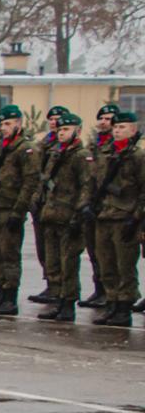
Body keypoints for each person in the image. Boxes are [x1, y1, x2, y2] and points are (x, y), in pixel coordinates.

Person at [0, 106, 44, 315]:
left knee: (9, 254)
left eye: (8, 124)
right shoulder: (0, 147)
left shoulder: (26, 149)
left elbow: (31, 182)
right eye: (2, 124)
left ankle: (11, 297)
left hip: (10, 208)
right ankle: (1, 292)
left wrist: (19, 211)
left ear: (18, 124)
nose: (4, 128)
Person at [36, 113, 93, 321]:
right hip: (51, 215)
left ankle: (68, 303)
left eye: (66, 130)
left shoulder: (81, 155)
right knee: (53, 262)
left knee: (68, 263)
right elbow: (45, 182)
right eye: (59, 130)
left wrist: (80, 213)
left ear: (77, 130)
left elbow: (86, 186)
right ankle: (58, 300)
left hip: (69, 217)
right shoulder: (55, 153)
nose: (61, 133)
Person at [86, 111, 141, 325]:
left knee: (124, 265)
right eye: (116, 127)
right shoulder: (106, 153)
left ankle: (124, 307)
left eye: (123, 128)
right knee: (106, 263)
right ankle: (111, 302)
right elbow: (94, 181)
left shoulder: (137, 156)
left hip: (124, 217)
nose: (118, 131)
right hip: (104, 215)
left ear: (133, 130)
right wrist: (89, 206)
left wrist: (135, 218)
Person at [83, 103, 124, 308]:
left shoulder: (121, 149)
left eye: (109, 118)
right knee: (96, 252)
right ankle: (100, 290)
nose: (104, 122)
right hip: (95, 207)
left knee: (116, 257)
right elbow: (88, 179)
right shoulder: (94, 146)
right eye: (102, 118)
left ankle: (115, 296)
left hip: (115, 209)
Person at [29, 106, 68, 305]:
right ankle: (51, 284)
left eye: (58, 119)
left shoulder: (69, 149)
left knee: (63, 253)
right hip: (44, 205)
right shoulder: (45, 145)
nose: (54, 123)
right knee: (45, 249)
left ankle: (61, 289)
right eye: (51, 119)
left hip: (62, 207)